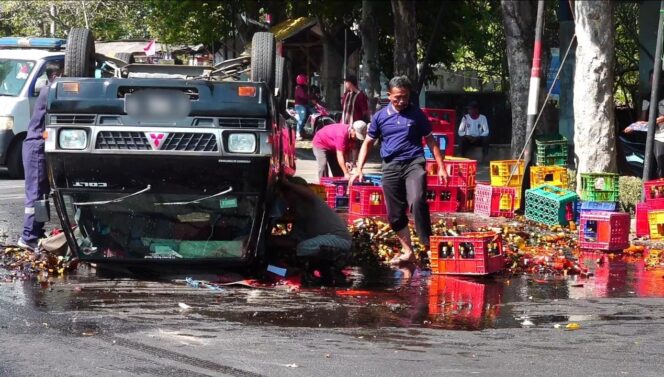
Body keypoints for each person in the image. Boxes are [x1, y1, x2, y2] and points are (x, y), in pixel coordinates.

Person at [349, 75, 448, 265]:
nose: (402, 101)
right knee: (394, 214)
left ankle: (427, 247)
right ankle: (408, 250)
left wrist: (441, 167)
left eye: (405, 97)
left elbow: (430, 140)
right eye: (397, 97)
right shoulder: (379, 117)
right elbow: (368, 142)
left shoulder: (417, 114)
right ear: (389, 95)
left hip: (414, 163)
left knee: (418, 200)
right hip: (391, 165)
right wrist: (358, 168)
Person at [18, 61, 63, 251]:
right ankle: (27, 237)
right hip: (36, 146)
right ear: (57, 75)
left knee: (42, 195)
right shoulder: (50, 90)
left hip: (39, 146)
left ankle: (36, 231)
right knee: (35, 195)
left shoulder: (48, 89)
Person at [276, 176, 352, 284]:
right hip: (326, 239)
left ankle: (310, 273)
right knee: (299, 248)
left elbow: (308, 194)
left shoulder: (313, 202)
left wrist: (287, 184)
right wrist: (273, 242)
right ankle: (316, 274)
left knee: (303, 247)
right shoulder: (300, 213)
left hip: (339, 240)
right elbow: (294, 241)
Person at [624, 70, 664, 177]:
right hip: (652, 136)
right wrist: (634, 126)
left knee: (661, 166)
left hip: (662, 136)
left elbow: (660, 119)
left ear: (662, 81)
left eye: (657, 80)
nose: (653, 82)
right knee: (651, 166)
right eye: (652, 80)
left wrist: (652, 122)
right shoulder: (647, 98)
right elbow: (643, 118)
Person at [294, 74, 309, 141]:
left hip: (303, 105)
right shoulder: (299, 88)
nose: (307, 81)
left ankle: (302, 130)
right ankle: (297, 134)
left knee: (308, 115)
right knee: (301, 118)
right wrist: (311, 97)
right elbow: (304, 96)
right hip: (300, 106)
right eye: (305, 80)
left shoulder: (301, 88)